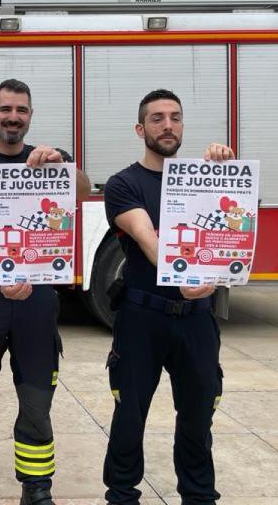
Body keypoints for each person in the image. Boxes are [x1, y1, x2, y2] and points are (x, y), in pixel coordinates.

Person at [0, 79, 90, 505]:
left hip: (38, 296)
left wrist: (63, 163)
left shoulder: (48, 161)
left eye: (21, 110)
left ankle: (37, 487)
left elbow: (83, 192)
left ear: (30, 116)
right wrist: (4, 271)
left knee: (36, 400)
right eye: (5, 109)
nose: (13, 117)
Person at [101, 89, 234, 505]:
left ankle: (199, 496)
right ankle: (122, 495)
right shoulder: (125, 184)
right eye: (157, 118)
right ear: (141, 129)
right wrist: (188, 274)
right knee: (130, 417)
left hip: (197, 318)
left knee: (198, 417)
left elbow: (228, 228)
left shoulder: (202, 179)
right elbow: (148, 238)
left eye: (175, 117)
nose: (168, 125)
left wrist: (226, 175)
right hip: (143, 318)